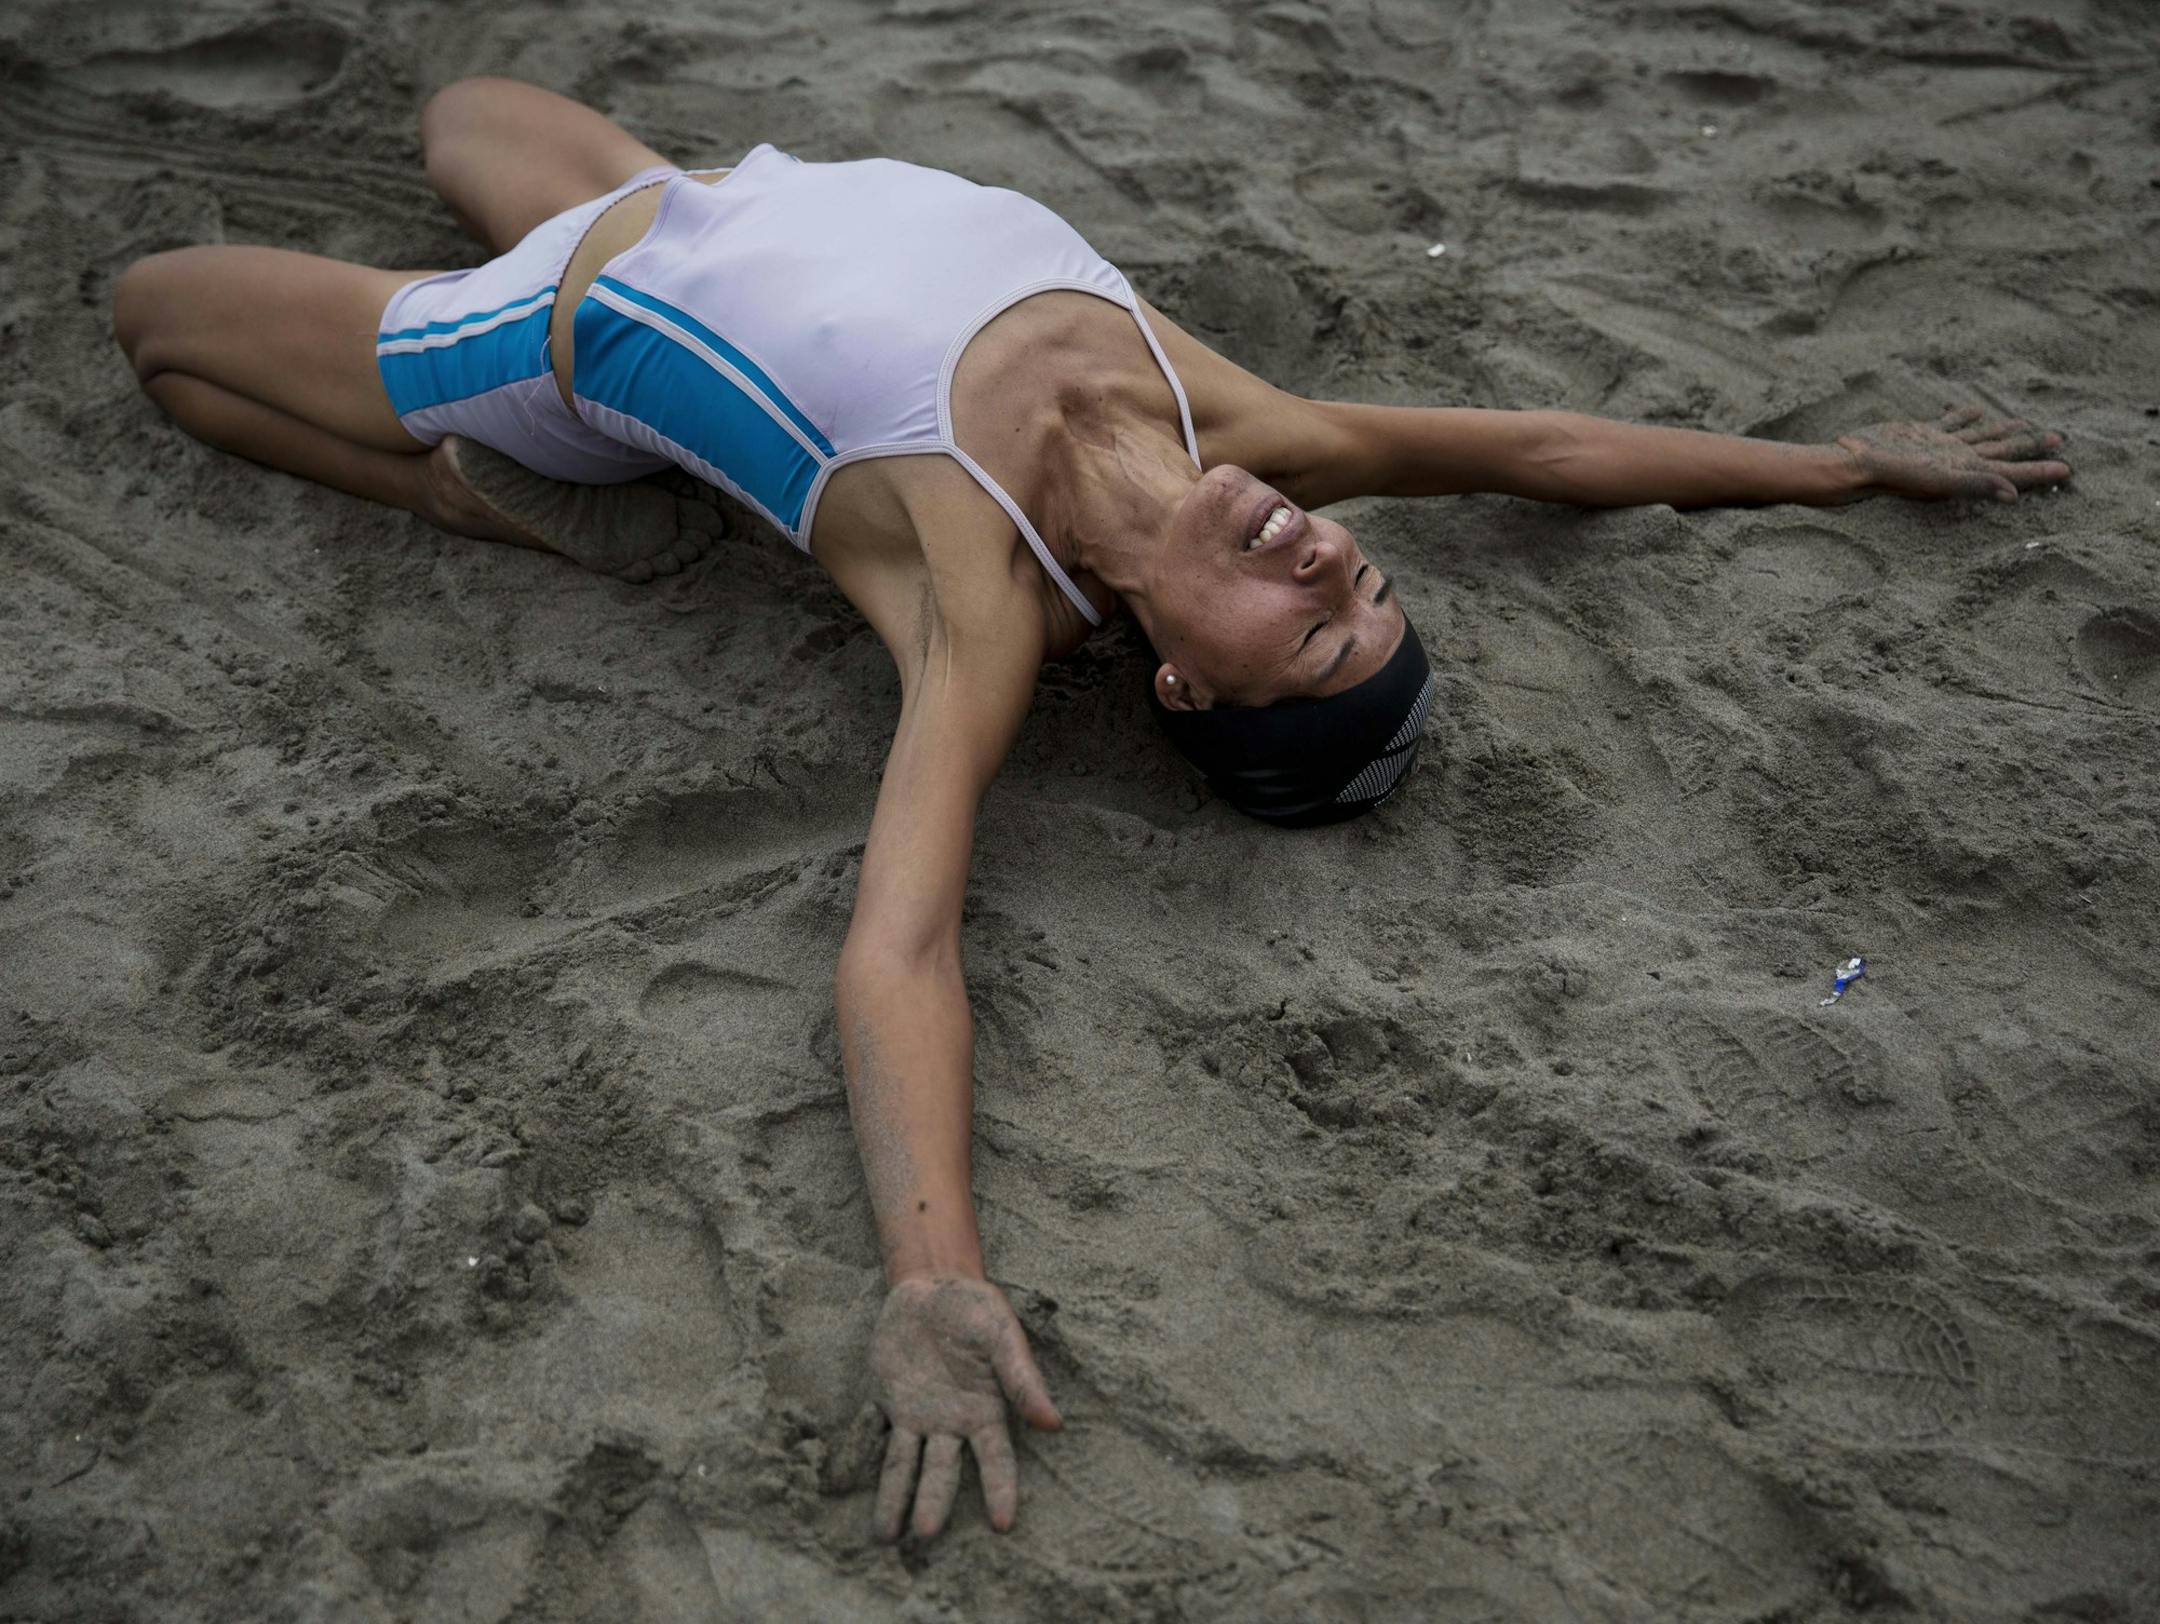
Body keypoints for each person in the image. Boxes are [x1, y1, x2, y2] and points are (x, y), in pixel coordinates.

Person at [110, 77, 2071, 1542]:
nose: (1326, 562)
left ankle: (477, 493)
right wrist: (1837, 468)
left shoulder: (974, 597)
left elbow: (901, 942)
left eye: (1305, 629)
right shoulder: (1244, 422)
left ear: (1183, 683)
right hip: (686, 196)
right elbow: (1545, 447)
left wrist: (932, 1276)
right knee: (461, 111)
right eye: (1362, 582)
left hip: (550, 336)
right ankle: (590, 422)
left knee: (161, 319)